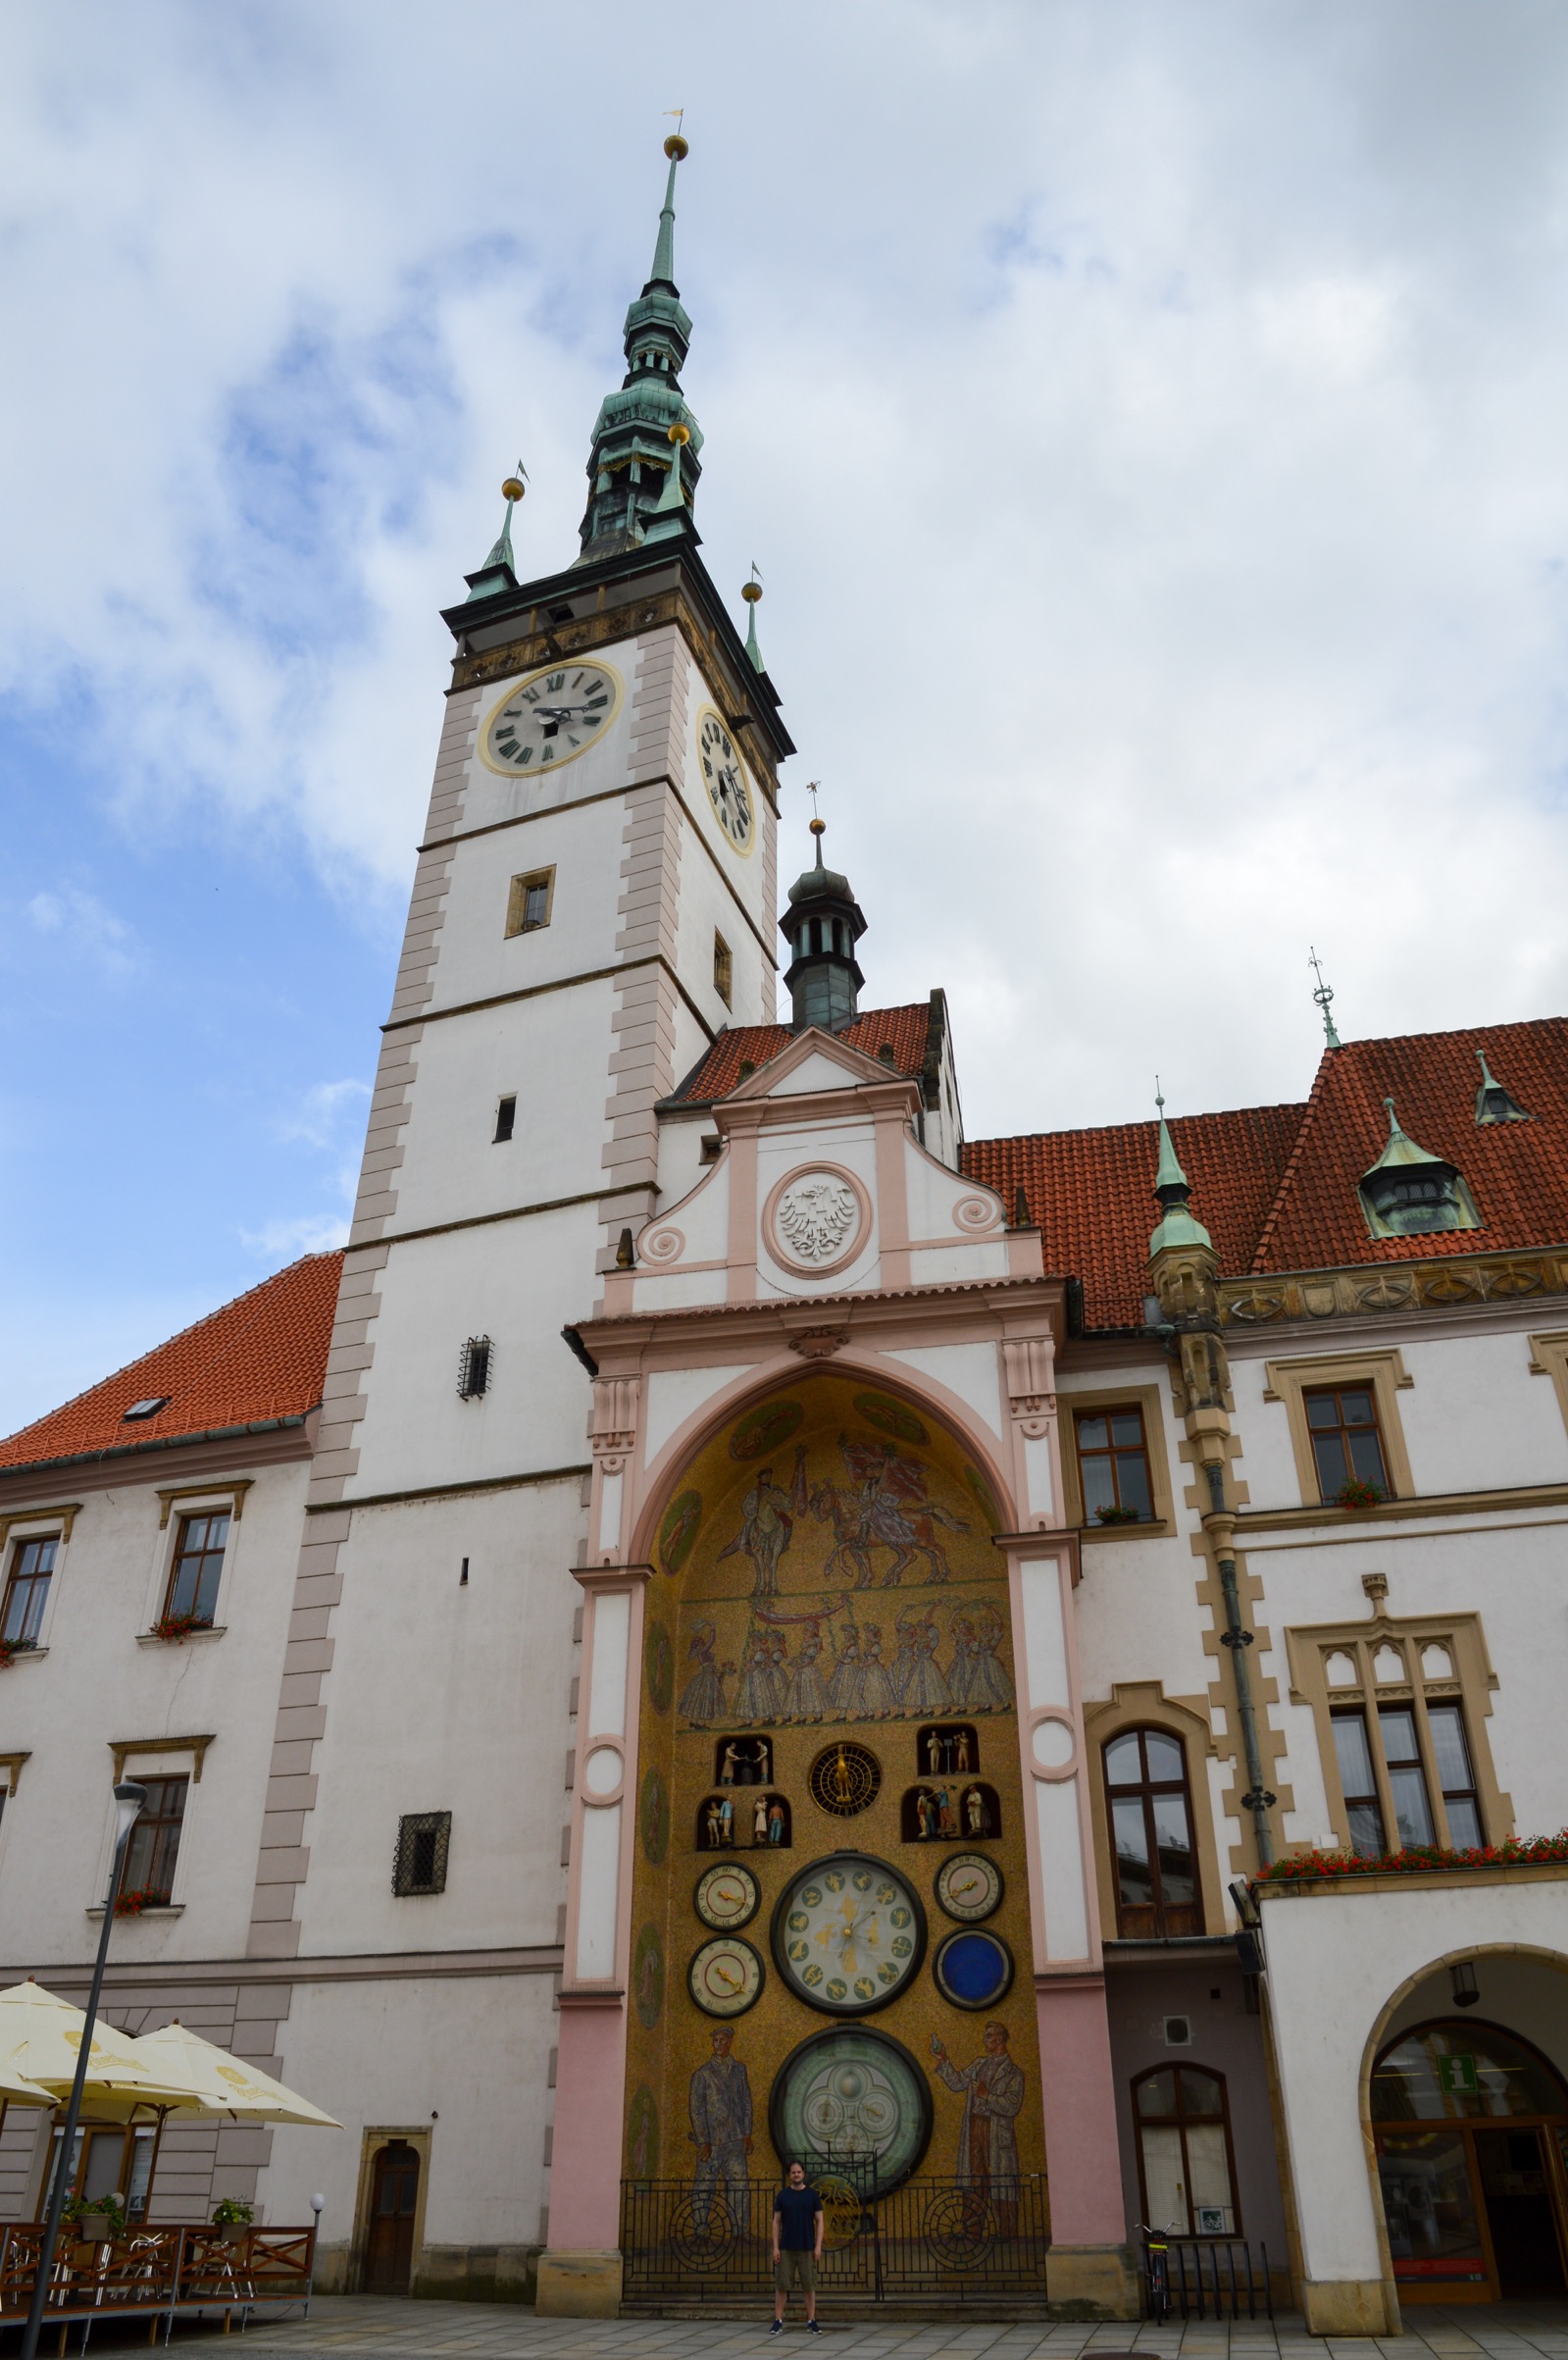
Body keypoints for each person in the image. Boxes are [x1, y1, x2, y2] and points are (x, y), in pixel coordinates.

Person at [689, 2027, 753, 2230]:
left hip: (735, 2139)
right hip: (712, 2142)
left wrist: (747, 2134)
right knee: (704, 2186)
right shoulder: (703, 2074)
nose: (717, 2043)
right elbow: (697, 2110)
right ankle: (700, 2230)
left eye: (722, 2040)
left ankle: (740, 2231)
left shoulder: (739, 2070)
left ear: (729, 2042)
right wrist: (703, 2140)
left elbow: (746, 2103)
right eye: (715, 2040)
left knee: (739, 2187)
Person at [771, 2159, 824, 2334]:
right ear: (789, 2175)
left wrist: (818, 2246)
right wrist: (775, 2247)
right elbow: (776, 2222)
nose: (796, 2175)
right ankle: (778, 2320)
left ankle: (811, 2320)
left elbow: (820, 2221)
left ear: (803, 2174)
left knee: (809, 2286)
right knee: (782, 2285)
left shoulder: (812, 2196)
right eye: (793, 2172)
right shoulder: (783, 2196)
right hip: (786, 2247)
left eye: (799, 2172)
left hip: (807, 2247)